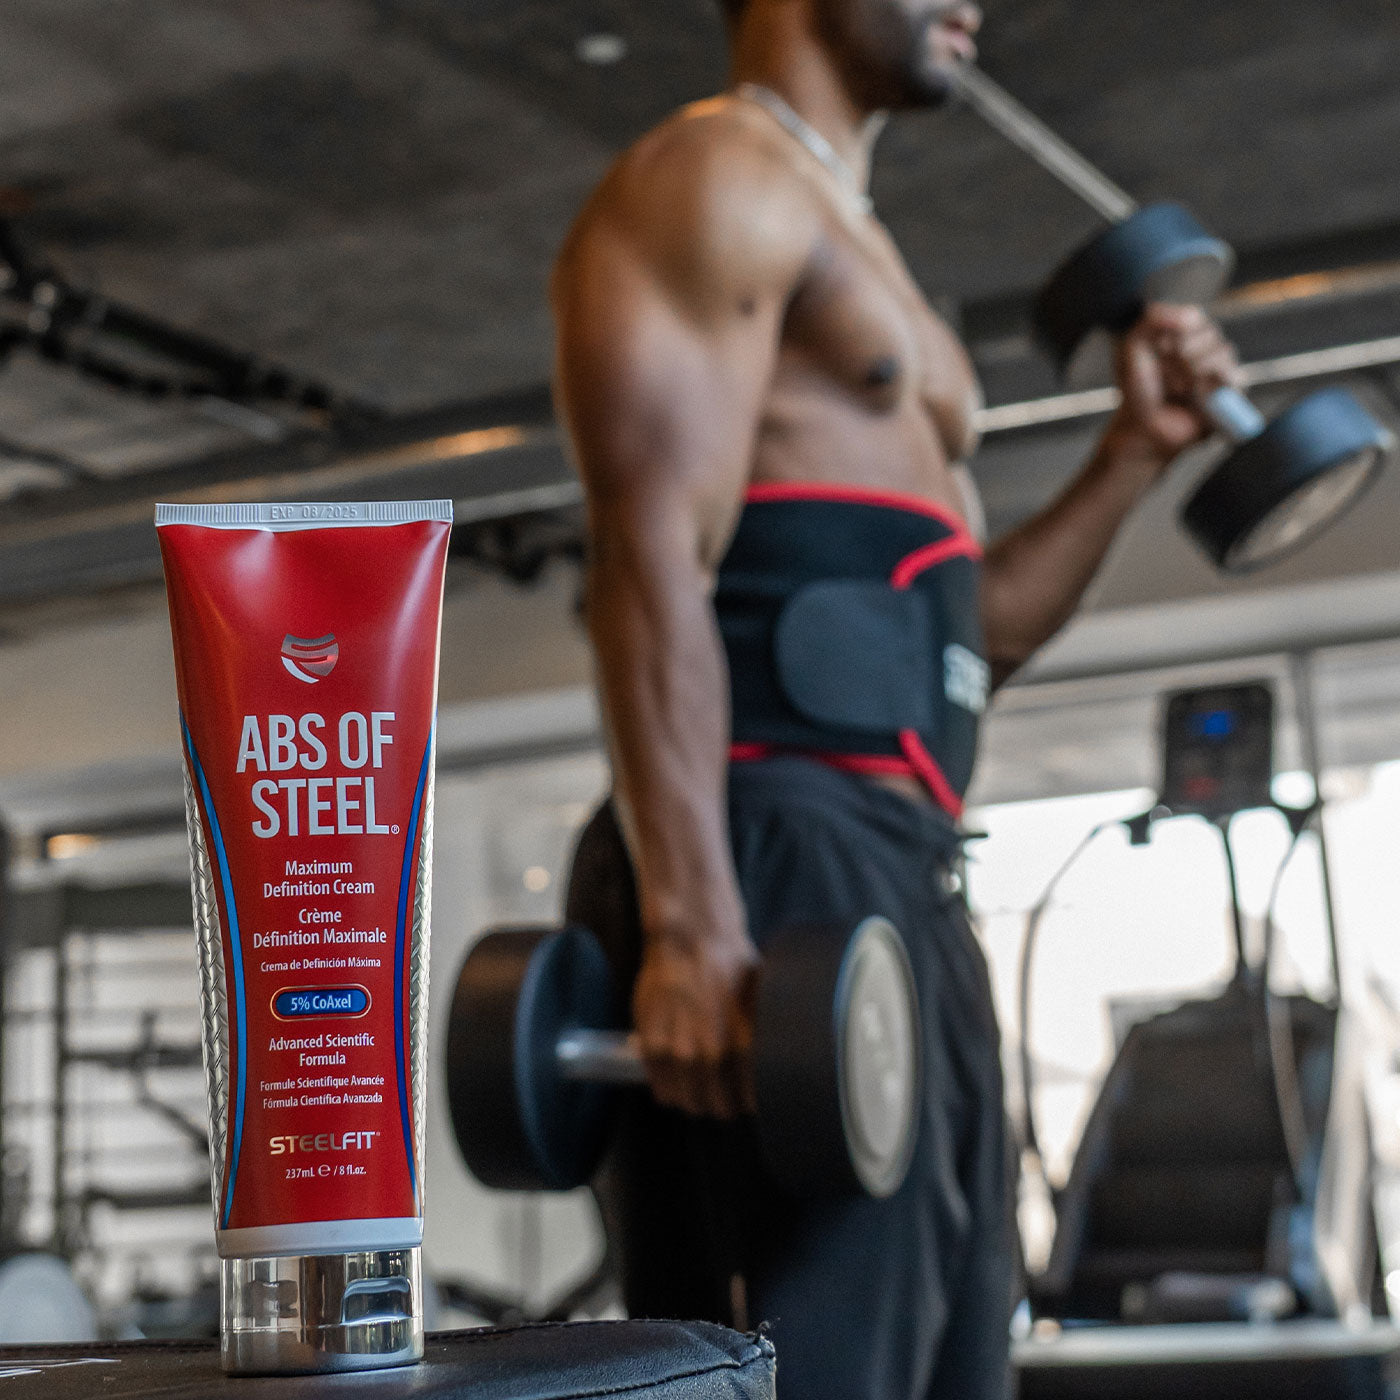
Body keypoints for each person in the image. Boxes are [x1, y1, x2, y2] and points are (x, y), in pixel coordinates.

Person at [551, 1, 1241, 1395]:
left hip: (902, 870)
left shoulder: (864, 249)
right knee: (815, 1360)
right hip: (771, 846)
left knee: (950, 1350)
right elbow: (648, 554)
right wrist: (691, 922)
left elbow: (958, 633)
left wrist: (1128, 458)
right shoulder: (715, 178)